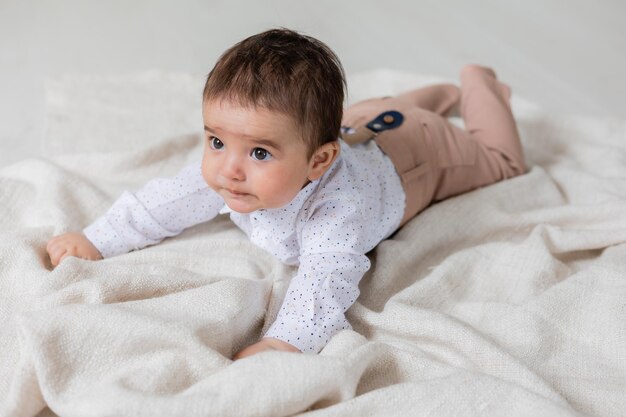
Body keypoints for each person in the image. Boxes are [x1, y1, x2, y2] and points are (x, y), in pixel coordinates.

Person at [46, 28, 526, 359]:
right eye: (216, 141)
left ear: (319, 163)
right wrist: (97, 239)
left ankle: (476, 84)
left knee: (502, 161)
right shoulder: (234, 168)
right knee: (365, 113)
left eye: (258, 153)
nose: (228, 169)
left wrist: (286, 342)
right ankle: (424, 99)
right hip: (356, 126)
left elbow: (326, 278)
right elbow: (161, 203)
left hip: (417, 157)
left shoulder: (338, 209)